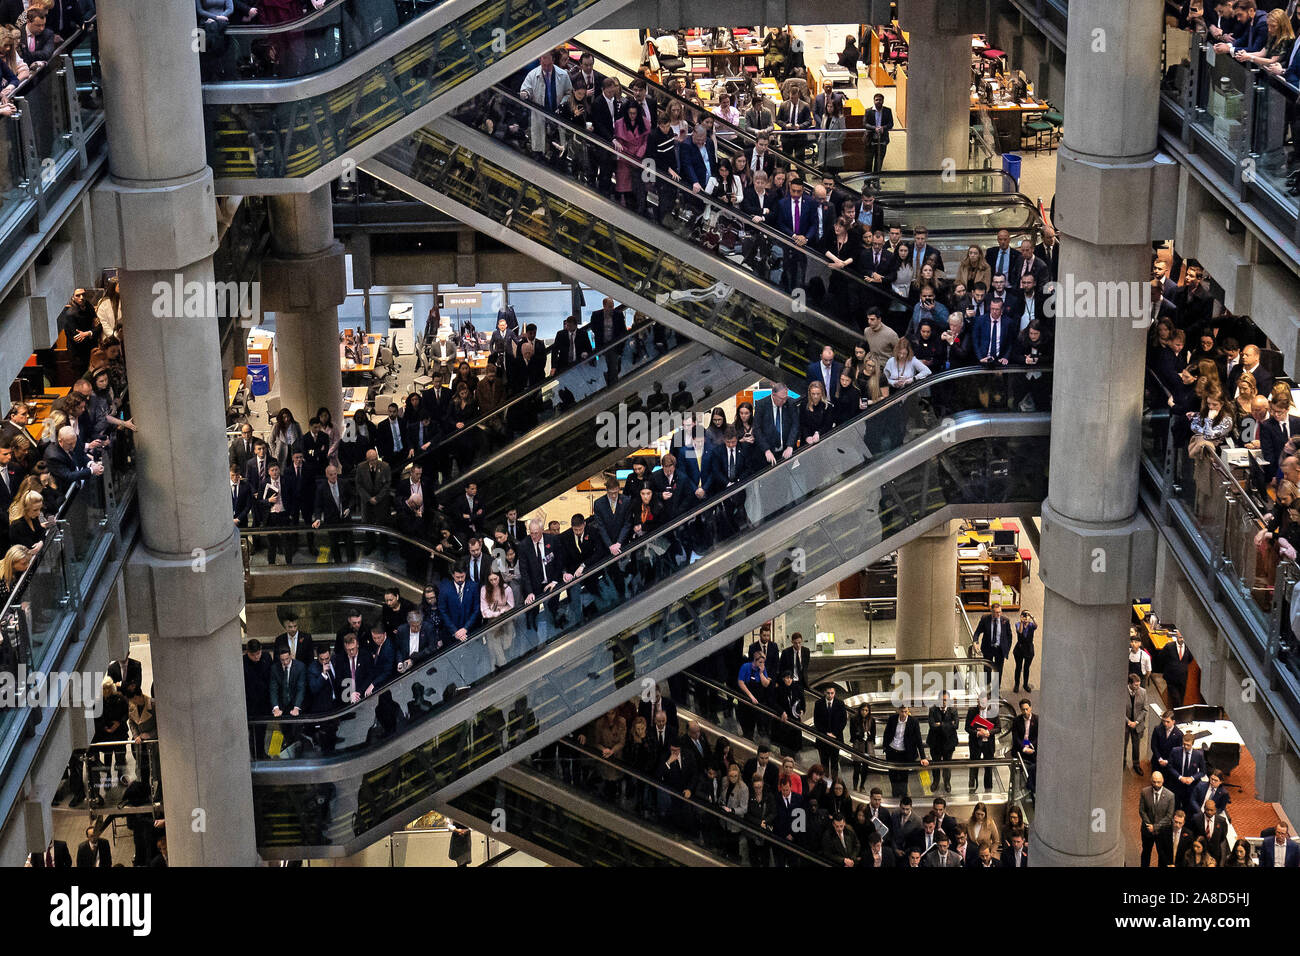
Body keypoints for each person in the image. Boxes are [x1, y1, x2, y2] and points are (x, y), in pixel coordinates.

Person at [881, 703, 928, 797]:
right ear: (898, 711)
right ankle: (895, 792)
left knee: (904, 775)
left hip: (905, 753)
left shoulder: (913, 721)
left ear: (908, 710)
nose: (904, 714)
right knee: (892, 774)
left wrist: (923, 757)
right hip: (892, 751)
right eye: (902, 712)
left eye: (906, 711)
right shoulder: (892, 719)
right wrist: (885, 747)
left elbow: (918, 740)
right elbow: (887, 733)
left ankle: (903, 793)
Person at [973, 602, 1013, 693]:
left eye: (1000, 612)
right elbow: (977, 632)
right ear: (991, 612)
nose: (999, 614)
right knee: (987, 670)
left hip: (1000, 650)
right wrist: (975, 642)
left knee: (998, 671)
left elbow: (1009, 636)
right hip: (988, 649)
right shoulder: (985, 619)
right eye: (996, 612)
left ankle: (996, 690)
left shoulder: (1005, 621)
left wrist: (1007, 649)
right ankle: (987, 690)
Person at [1140, 770, 1176, 866]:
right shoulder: (1144, 792)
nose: (1156, 784)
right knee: (1146, 853)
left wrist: (1155, 827)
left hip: (1162, 832)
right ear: (1151, 781)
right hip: (1147, 831)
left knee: (1162, 855)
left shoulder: (1170, 796)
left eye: (1158, 782)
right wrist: (1149, 826)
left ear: (1163, 781)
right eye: (1154, 781)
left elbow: (1169, 816)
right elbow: (1142, 811)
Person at [812, 683, 847, 782]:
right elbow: (816, 722)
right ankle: (825, 781)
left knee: (835, 761)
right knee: (824, 761)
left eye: (832, 693)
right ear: (824, 693)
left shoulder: (840, 704)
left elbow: (843, 721)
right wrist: (826, 733)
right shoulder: (818, 703)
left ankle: (835, 781)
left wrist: (834, 733)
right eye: (828, 693)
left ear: (834, 693)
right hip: (823, 738)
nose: (830, 695)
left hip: (836, 738)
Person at [927, 691, 959, 794]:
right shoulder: (932, 709)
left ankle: (947, 782)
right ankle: (935, 782)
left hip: (949, 744)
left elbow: (956, 725)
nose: (943, 702)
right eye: (942, 699)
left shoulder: (953, 710)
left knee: (947, 765)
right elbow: (932, 725)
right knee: (935, 764)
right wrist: (948, 724)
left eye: (945, 700)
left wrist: (940, 725)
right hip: (935, 743)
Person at [1011, 698, 1038, 791]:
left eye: (1027, 709)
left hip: (1032, 748)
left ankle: (1030, 787)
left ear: (1031, 708)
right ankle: (1019, 789)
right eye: (1023, 709)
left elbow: (1038, 737)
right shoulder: (1016, 721)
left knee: (1033, 769)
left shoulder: (1037, 720)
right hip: (1020, 749)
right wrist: (1024, 748)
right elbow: (1016, 738)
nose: (1025, 711)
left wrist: (1030, 746)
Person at [1125, 673, 1148, 774]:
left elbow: (1145, 709)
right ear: (1130, 684)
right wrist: (1128, 721)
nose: (1138, 687)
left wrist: (1136, 722)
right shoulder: (1122, 692)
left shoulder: (1143, 692)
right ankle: (1122, 762)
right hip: (1125, 724)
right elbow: (1118, 709)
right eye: (1136, 685)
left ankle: (1136, 765)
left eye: (1139, 685)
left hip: (1137, 724)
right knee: (1123, 745)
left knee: (1136, 746)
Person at [864, 92, 892, 173]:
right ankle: (867, 183)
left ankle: (876, 181)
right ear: (874, 101)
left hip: (882, 140)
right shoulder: (868, 111)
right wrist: (874, 128)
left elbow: (891, 124)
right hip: (870, 141)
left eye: (880, 100)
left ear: (883, 101)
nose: (878, 101)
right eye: (876, 100)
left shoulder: (888, 111)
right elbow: (865, 124)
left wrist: (884, 128)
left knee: (879, 162)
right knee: (868, 162)